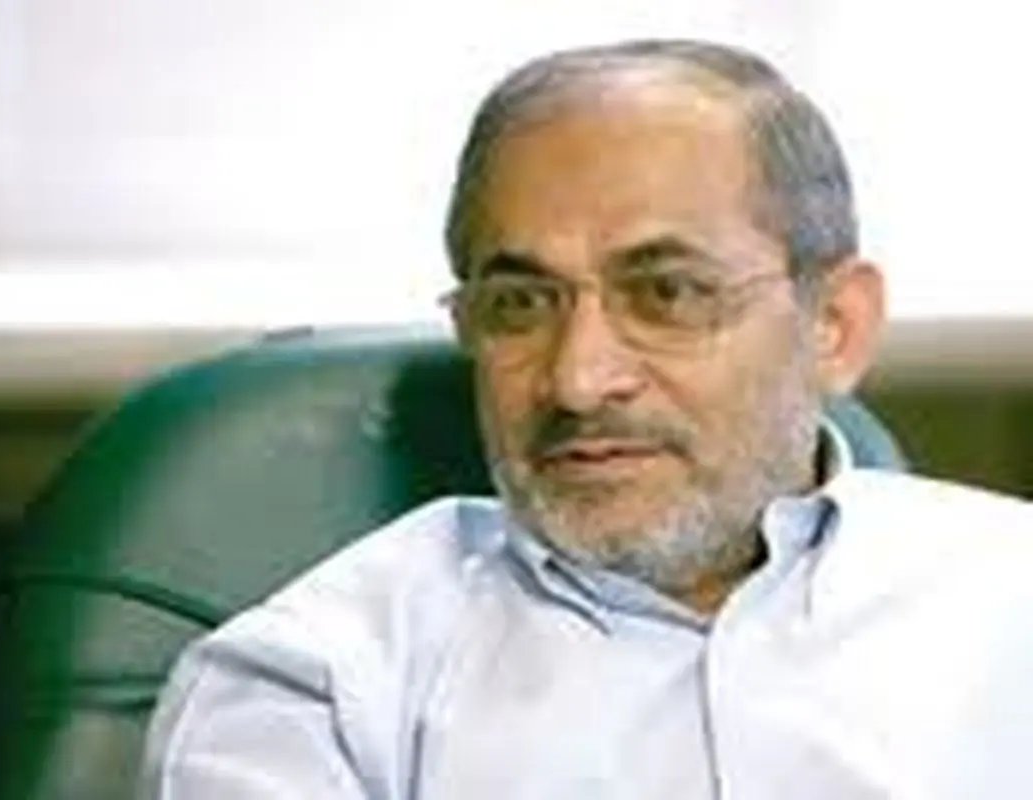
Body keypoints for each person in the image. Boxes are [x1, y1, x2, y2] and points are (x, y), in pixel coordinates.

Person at [141, 39, 1033, 799]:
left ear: (833, 325)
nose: (578, 380)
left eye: (668, 293)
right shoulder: (313, 690)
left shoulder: (1008, 602)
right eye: (520, 305)